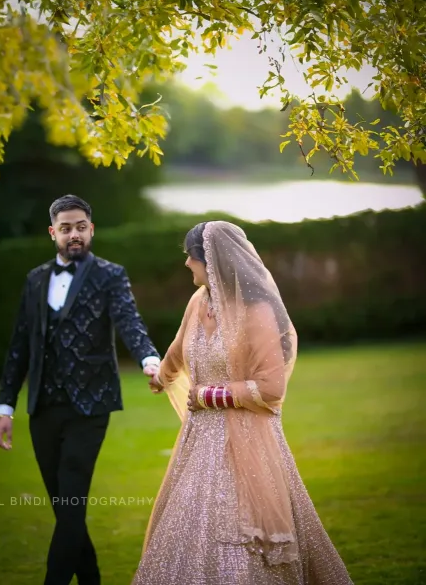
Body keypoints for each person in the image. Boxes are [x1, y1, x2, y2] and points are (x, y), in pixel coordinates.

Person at [134, 220, 353, 585]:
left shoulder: (257, 312)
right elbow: (178, 350)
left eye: (191, 257)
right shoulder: (197, 302)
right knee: (185, 526)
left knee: (241, 531)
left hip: (249, 443)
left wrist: (208, 394)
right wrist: (161, 377)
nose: (187, 264)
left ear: (212, 261)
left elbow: (271, 388)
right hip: (198, 442)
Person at [0, 194, 160, 585]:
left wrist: (149, 360)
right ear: (53, 232)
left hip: (90, 406)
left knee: (71, 499)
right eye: (65, 228)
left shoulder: (109, 275)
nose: (74, 235)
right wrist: (5, 406)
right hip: (43, 408)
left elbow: (129, 322)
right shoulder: (35, 279)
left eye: (80, 227)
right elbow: (20, 344)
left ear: (91, 229)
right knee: (66, 509)